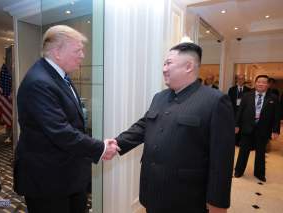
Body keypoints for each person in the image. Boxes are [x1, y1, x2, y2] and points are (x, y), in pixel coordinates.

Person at [113, 42, 235, 213]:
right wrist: (116, 143)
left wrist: (218, 203)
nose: (164, 68)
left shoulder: (215, 101)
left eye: (168, 63)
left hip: (186, 196)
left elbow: (222, 159)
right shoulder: (159, 97)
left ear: (188, 66)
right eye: (164, 63)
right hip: (152, 189)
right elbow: (144, 126)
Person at [14, 25, 119, 213]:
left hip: (67, 174)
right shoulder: (39, 82)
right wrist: (100, 147)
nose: (82, 55)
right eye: (77, 50)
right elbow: (61, 132)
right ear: (57, 52)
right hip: (48, 181)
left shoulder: (59, 76)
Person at [234, 75, 280, 182]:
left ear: (267, 85)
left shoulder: (273, 98)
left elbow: (276, 116)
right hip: (247, 127)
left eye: (264, 82)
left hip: (263, 129)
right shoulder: (246, 96)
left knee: (260, 152)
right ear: (255, 83)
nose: (261, 84)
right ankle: (238, 171)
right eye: (259, 82)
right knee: (243, 151)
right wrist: (236, 125)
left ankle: (259, 173)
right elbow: (240, 111)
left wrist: (275, 130)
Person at [228, 74, 251, 146]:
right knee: (234, 126)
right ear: (237, 80)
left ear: (244, 80)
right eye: (239, 79)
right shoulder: (232, 89)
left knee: (242, 127)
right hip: (234, 111)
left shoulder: (248, 90)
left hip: (244, 112)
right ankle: (234, 141)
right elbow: (229, 101)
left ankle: (241, 142)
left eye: (242, 79)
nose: (241, 80)